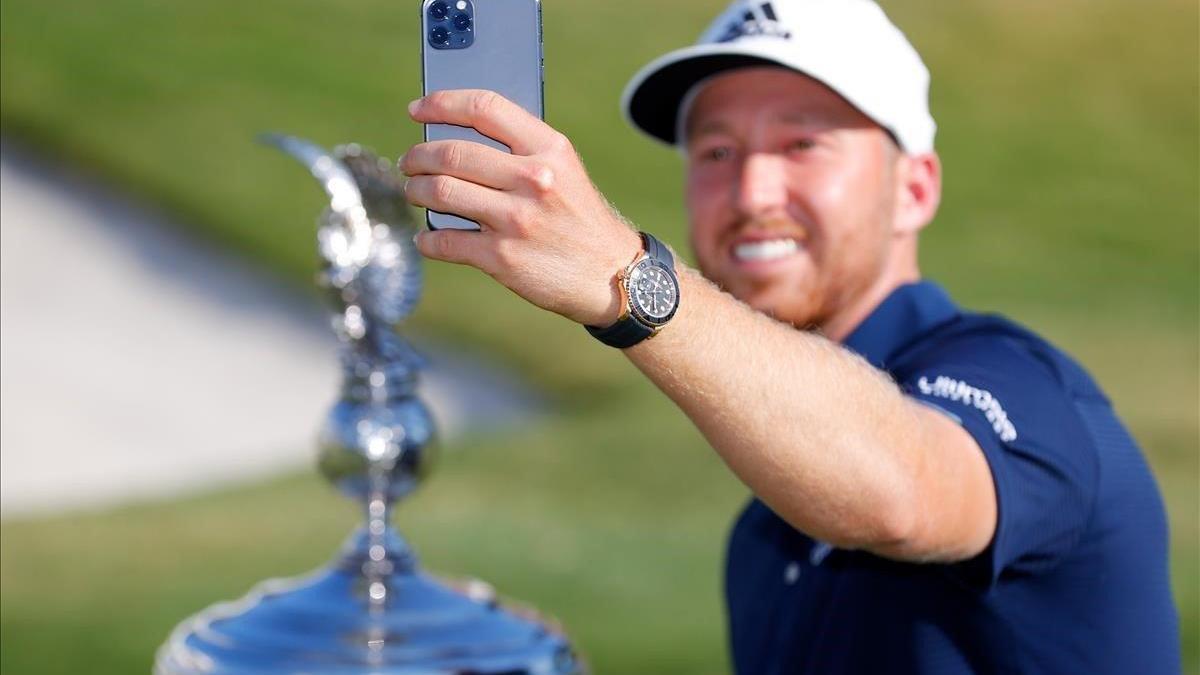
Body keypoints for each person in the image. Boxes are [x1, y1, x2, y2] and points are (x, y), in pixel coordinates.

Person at [399, 0, 1181, 671]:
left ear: (915, 188)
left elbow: (902, 486)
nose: (751, 190)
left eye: (803, 143)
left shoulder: (1023, 386)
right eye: (717, 150)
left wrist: (623, 275)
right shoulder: (765, 532)